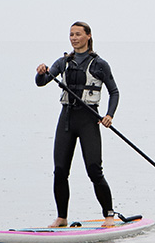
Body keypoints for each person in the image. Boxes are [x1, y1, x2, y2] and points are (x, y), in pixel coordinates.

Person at [35, 22, 122, 227]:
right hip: (66, 119)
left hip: (88, 119)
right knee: (60, 170)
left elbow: (114, 92)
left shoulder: (100, 64)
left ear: (88, 36)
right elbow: (41, 82)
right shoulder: (63, 62)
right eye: (71, 34)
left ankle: (108, 214)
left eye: (78, 34)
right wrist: (40, 72)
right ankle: (62, 217)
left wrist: (109, 115)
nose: (73, 38)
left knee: (94, 169)